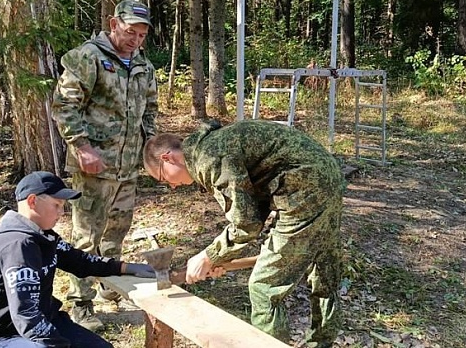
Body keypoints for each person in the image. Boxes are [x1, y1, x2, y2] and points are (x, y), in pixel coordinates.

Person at [142, 120, 344, 348]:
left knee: (263, 288)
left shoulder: (210, 158)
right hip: (325, 175)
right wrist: (219, 259)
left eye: (162, 177)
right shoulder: (209, 147)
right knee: (323, 271)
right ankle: (322, 342)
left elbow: (246, 225)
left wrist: (208, 256)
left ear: (167, 158)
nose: (171, 186)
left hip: (305, 188)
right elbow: (254, 206)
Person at [51, 0, 158, 330]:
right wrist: (82, 147)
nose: (135, 41)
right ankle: (80, 304)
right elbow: (64, 105)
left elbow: (149, 110)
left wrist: (149, 148)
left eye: (141, 35)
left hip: (128, 166)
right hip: (94, 166)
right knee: (87, 235)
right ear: (114, 24)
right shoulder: (88, 57)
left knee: (116, 231)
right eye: (130, 33)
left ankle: (109, 284)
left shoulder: (143, 66)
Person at [0, 171, 156, 348]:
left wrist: (124, 267)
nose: (61, 213)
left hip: (42, 321)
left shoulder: (44, 236)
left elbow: (80, 261)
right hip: (2, 337)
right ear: (32, 201)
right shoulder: (17, 246)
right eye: (56, 205)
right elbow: (25, 314)